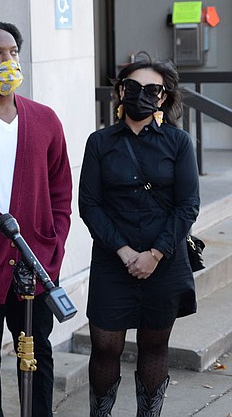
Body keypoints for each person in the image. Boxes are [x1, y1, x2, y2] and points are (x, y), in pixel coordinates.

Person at [0, 20, 72, 417]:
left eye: (13, 53)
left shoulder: (44, 120)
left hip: (35, 261)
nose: (9, 61)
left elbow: (61, 190)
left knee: (36, 354)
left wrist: (53, 242)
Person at [79, 55, 199, 416]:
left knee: (154, 346)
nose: (141, 95)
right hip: (113, 260)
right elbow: (90, 205)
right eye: (133, 87)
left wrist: (155, 254)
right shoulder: (99, 142)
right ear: (120, 91)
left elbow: (188, 205)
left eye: (152, 90)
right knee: (104, 347)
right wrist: (125, 252)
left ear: (163, 97)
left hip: (164, 261)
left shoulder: (178, 143)